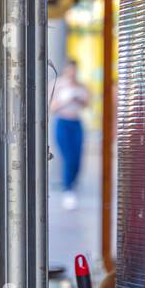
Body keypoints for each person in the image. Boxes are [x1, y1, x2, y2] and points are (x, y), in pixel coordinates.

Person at [51, 59, 90, 211]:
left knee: (77, 157)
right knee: (67, 157)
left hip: (76, 123)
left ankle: (73, 183)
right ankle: (68, 189)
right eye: (70, 70)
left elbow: (87, 103)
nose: (72, 73)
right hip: (63, 123)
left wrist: (78, 99)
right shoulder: (58, 85)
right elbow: (52, 107)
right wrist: (67, 100)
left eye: (75, 70)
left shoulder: (81, 86)